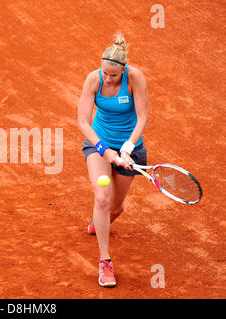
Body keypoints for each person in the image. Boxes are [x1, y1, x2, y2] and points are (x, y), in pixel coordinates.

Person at [77, 34, 149, 287]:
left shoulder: (136, 78)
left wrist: (127, 150)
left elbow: (142, 118)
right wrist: (104, 149)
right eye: (105, 73)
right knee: (102, 198)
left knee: (115, 208)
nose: (108, 78)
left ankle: (101, 220)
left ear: (124, 70)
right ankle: (105, 262)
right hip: (99, 144)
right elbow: (83, 122)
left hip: (131, 148)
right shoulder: (93, 79)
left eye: (114, 75)